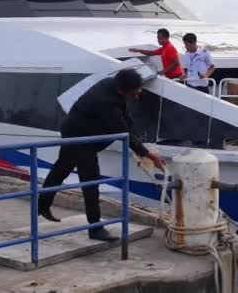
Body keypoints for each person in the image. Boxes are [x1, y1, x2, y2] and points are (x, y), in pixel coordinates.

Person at [38, 69, 166, 241]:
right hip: (80, 138)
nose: (138, 94)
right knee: (91, 181)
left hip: (77, 130)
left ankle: (42, 204)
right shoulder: (105, 102)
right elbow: (122, 133)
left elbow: (126, 118)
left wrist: (140, 140)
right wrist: (149, 155)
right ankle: (95, 228)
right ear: (123, 90)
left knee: (62, 168)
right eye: (135, 92)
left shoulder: (111, 85)